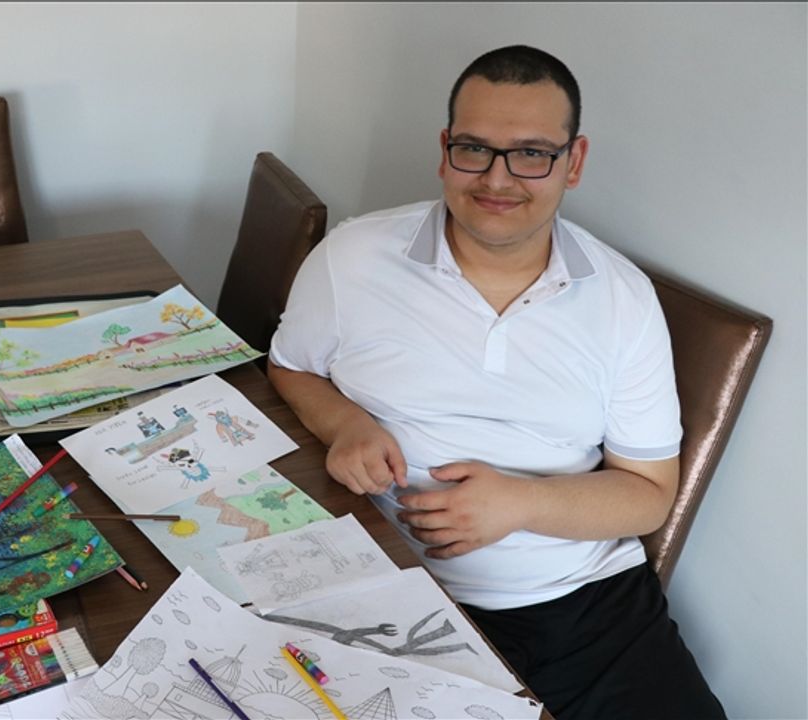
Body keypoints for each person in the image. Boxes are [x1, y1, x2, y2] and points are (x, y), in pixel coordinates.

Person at [268, 45, 725, 719]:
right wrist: (346, 424)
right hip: (391, 588)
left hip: (585, 606)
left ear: (574, 161)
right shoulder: (353, 258)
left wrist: (520, 503)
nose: (497, 178)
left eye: (532, 153)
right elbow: (290, 365)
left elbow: (648, 495)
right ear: (445, 150)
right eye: (475, 149)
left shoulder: (624, 300)